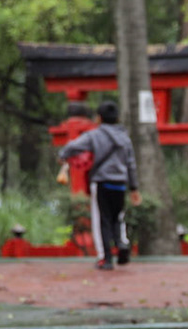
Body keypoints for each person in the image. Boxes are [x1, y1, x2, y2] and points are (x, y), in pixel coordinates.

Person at [58, 100, 141, 271]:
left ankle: (106, 258)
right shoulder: (125, 138)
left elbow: (72, 146)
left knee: (102, 220)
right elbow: (131, 164)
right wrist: (134, 187)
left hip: (102, 183)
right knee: (117, 217)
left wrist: (63, 155)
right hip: (120, 184)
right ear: (117, 118)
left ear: (99, 118)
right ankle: (121, 243)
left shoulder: (94, 135)